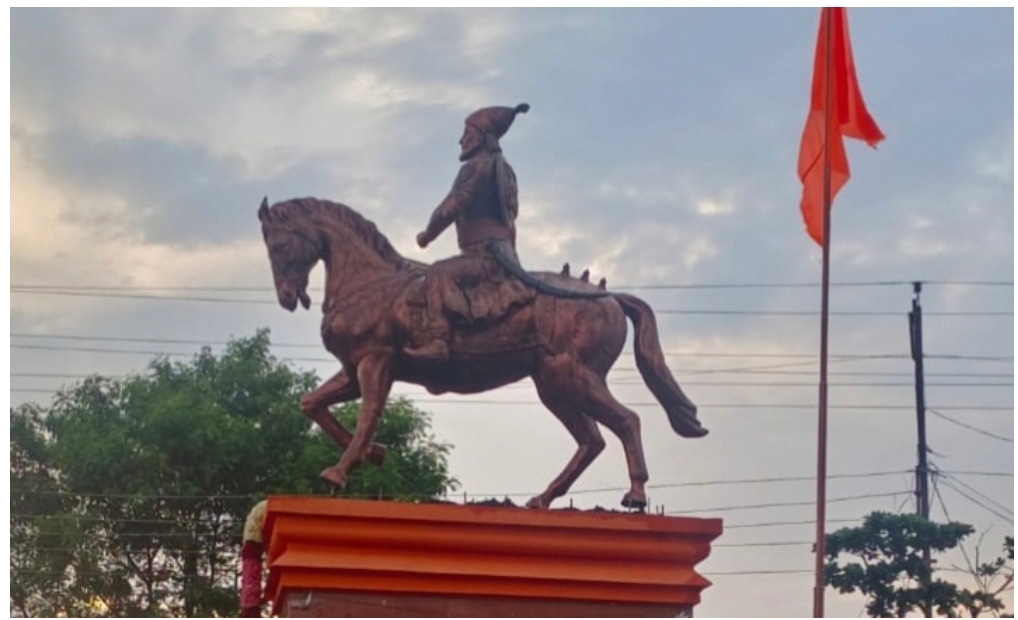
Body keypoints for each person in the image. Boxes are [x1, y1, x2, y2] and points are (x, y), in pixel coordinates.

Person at [406, 103, 531, 360]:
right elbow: (511, 222)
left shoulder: (476, 167)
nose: (461, 140)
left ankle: (439, 338)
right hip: (503, 255)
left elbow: (453, 205)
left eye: (467, 133)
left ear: (482, 136)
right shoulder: (504, 171)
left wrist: (427, 235)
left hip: (484, 255)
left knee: (439, 272)